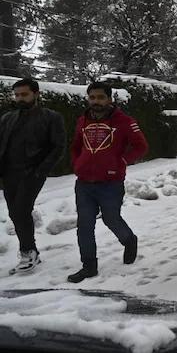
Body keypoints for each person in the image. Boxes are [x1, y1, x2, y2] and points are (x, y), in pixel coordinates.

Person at [67, 82, 148, 283]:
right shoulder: (82, 121)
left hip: (110, 182)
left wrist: (121, 161)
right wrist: (77, 164)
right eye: (92, 97)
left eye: (101, 97)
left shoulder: (125, 121)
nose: (96, 101)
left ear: (110, 99)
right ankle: (89, 266)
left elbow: (141, 146)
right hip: (84, 182)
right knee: (84, 224)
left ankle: (129, 240)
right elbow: (76, 146)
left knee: (111, 219)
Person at [0, 78, 65, 274]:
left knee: (20, 210)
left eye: (24, 94)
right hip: (8, 173)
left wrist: (40, 170)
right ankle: (32, 250)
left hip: (32, 173)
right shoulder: (7, 118)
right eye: (17, 94)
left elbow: (58, 146)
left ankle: (27, 252)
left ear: (36, 94)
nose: (20, 98)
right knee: (15, 213)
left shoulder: (51, 117)